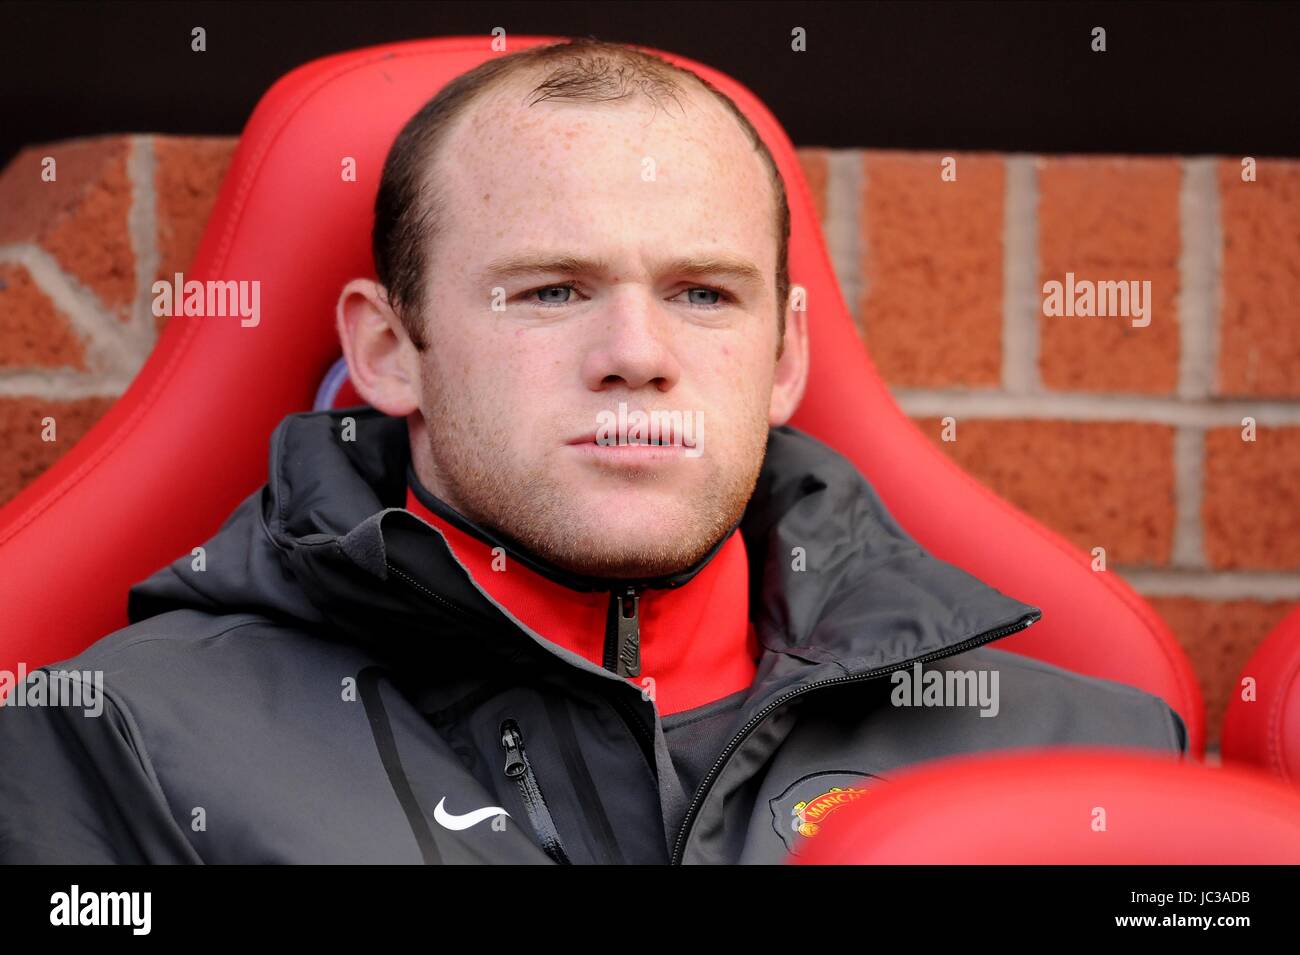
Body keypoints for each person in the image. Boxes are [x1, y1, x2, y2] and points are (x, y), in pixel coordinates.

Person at [0, 37, 1186, 865]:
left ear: (784, 359)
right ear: (387, 349)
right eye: (552, 289)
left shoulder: (1085, 748)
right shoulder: (122, 738)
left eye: (705, 295)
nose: (636, 353)